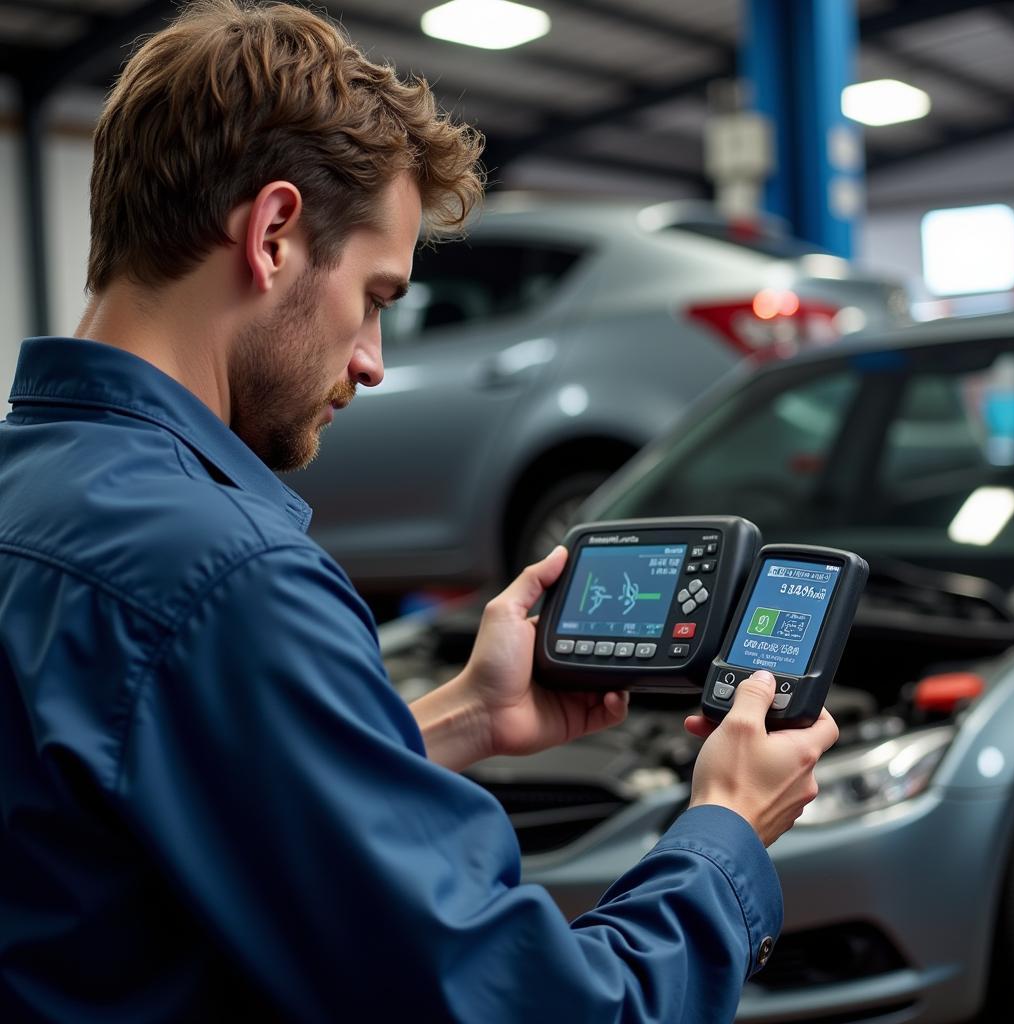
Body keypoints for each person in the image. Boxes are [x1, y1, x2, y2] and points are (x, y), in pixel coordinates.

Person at [0, 2, 838, 1021]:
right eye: (377, 295)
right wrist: (725, 829)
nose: (372, 359)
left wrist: (459, 718)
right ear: (271, 235)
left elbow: (161, 785)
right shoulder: (228, 580)